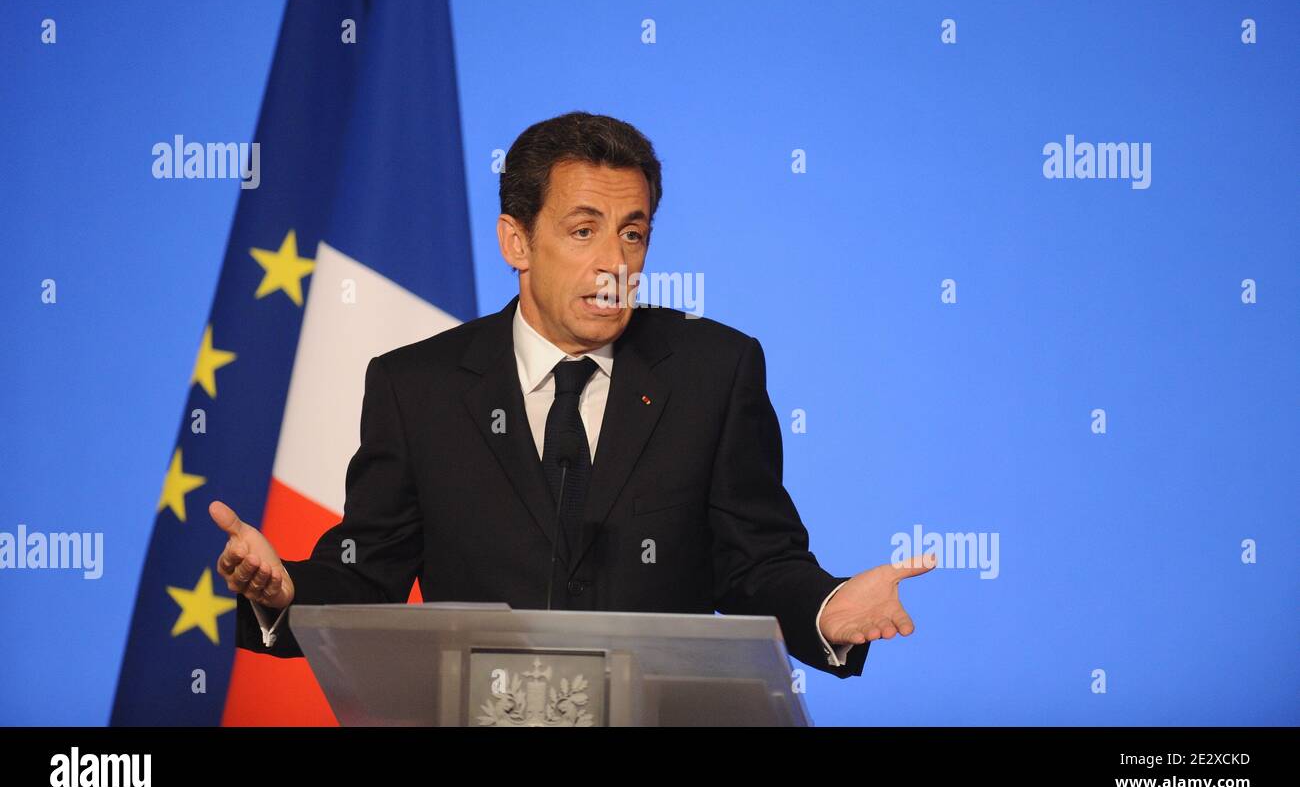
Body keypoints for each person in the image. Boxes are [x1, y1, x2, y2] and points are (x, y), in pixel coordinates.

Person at [210, 111, 933, 678]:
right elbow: (368, 575)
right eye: (584, 231)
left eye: (633, 233)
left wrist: (829, 606)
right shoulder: (417, 388)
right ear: (515, 242)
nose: (614, 263)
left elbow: (758, 563)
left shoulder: (715, 372)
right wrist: (284, 594)